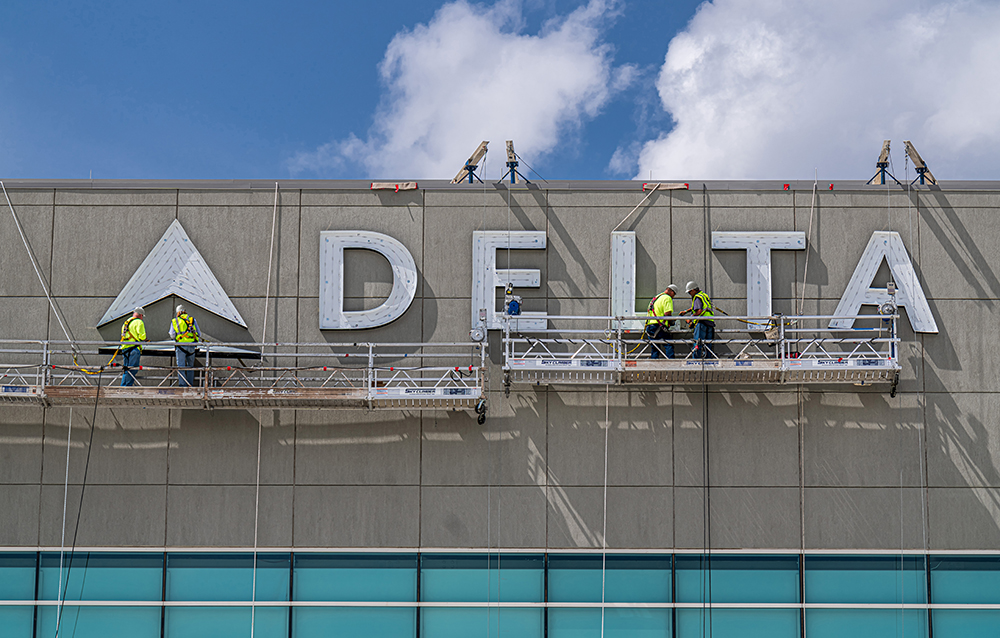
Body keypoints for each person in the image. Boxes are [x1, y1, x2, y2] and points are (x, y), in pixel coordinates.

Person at [169, 304, 201, 387]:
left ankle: (183, 385)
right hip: (192, 346)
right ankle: (190, 385)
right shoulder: (192, 319)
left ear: (178, 312)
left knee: (181, 367)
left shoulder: (175, 320)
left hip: (181, 346)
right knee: (191, 367)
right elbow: (199, 333)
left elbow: (172, 335)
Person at [645, 284, 678, 359]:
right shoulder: (667, 298)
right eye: (674, 295)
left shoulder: (656, 298)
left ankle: (654, 362)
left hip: (650, 326)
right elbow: (667, 314)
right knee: (668, 344)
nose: (673, 297)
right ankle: (671, 363)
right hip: (659, 326)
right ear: (672, 292)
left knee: (655, 346)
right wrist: (671, 322)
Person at [685, 282, 715, 359]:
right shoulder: (704, 295)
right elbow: (703, 307)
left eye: (689, 292)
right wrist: (686, 311)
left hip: (702, 323)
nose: (689, 294)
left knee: (697, 343)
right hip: (710, 322)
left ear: (693, 290)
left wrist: (690, 318)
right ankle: (708, 360)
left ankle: (696, 361)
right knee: (708, 344)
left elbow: (699, 311)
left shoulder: (697, 297)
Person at [120, 307, 148, 386]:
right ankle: (127, 387)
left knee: (126, 369)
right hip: (134, 349)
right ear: (141, 315)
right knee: (133, 369)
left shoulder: (126, 322)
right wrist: (144, 339)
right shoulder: (139, 322)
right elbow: (142, 336)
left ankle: (123, 387)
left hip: (125, 348)